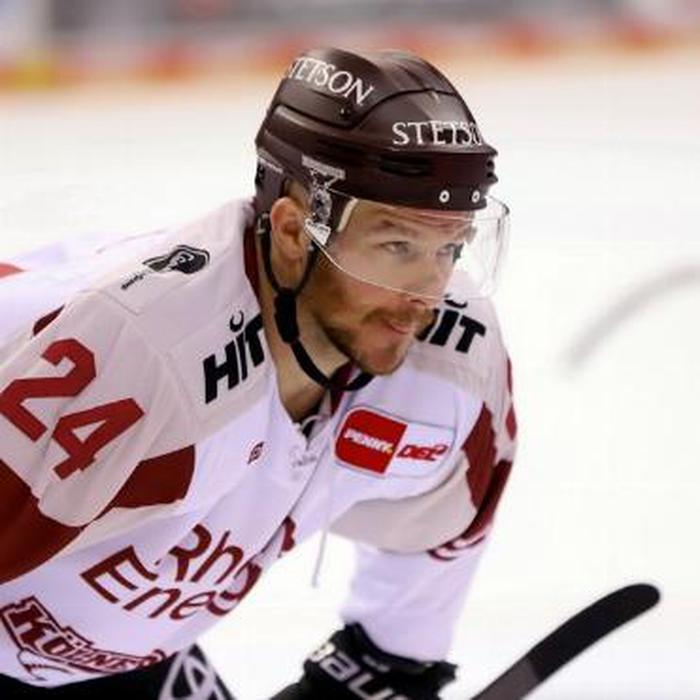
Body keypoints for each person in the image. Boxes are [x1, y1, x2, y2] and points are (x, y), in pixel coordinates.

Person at [0, 47, 517, 699]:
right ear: (295, 231)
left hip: (113, 655)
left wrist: (375, 671)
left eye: (450, 247)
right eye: (396, 245)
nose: (427, 292)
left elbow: (444, 528)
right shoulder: (144, 358)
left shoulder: (450, 362)